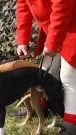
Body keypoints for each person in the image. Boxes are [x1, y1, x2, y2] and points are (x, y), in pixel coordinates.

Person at [15, 0, 76, 135]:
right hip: (53, 29)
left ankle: (72, 123)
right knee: (45, 73)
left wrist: (53, 42)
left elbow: (62, 5)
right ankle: (44, 105)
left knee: (69, 77)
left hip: (72, 27)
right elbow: (23, 5)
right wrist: (22, 39)